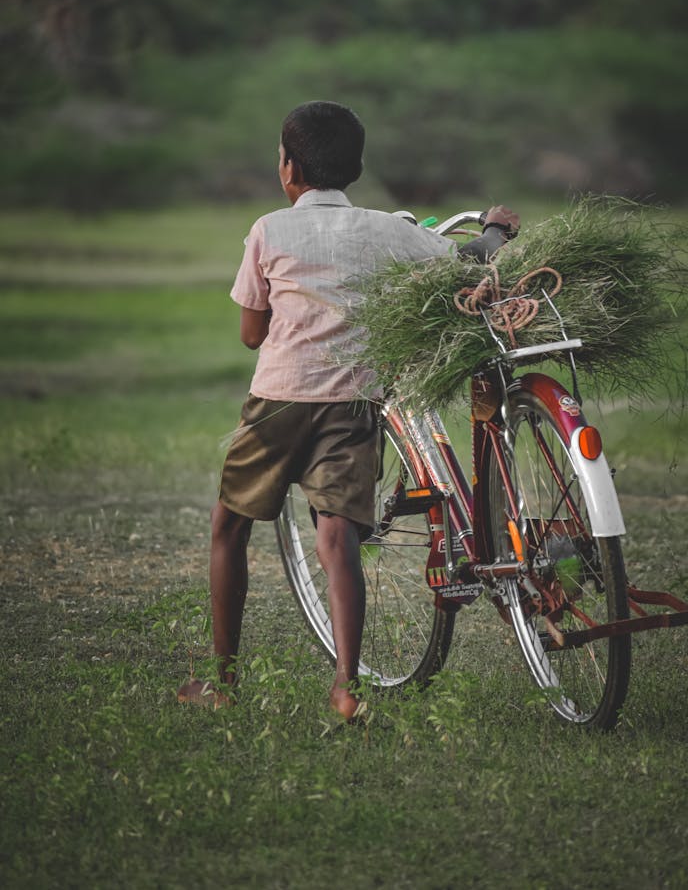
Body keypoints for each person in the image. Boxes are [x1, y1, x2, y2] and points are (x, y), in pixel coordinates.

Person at [178, 101, 519, 721]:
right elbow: (468, 260)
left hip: (279, 402)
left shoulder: (268, 230)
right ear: (355, 168)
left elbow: (252, 335)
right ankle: (345, 688)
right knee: (337, 539)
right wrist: (495, 228)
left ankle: (224, 682)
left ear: (289, 169)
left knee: (229, 526)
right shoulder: (387, 230)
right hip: (354, 402)